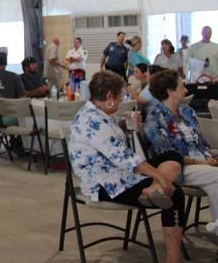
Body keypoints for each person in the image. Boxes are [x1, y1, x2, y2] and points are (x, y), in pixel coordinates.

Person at [68, 71, 185, 263]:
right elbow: (125, 158)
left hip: (119, 173)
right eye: (121, 96)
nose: (122, 101)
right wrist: (161, 177)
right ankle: (173, 260)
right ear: (109, 96)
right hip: (105, 184)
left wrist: (123, 125)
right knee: (176, 195)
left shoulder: (98, 113)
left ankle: (152, 190)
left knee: (173, 156)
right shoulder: (92, 120)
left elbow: (114, 147)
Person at [143, 69, 218, 233]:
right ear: (170, 91)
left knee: (215, 183)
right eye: (181, 86)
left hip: (203, 165)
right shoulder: (155, 117)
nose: (185, 90)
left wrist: (208, 157)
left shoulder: (187, 112)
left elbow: (201, 143)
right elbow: (166, 154)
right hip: (177, 168)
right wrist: (201, 162)